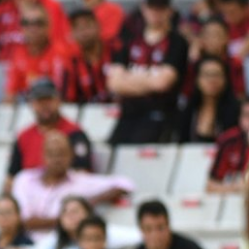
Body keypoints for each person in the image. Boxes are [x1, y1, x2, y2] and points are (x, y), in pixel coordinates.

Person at [11, 133, 132, 235]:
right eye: (51, 154)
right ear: (43, 156)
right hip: (24, 241)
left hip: (62, 244)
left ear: (71, 156)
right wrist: (65, 220)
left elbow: (125, 184)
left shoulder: (81, 181)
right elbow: (22, 222)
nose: (56, 159)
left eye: (61, 153)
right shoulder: (24, 179)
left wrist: (90, 203)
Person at [105, 0, 188, 144]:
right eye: (151, 7)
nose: (155, 12)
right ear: (143, 9)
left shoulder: (177, 42)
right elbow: (114, 83)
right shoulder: (129, 40)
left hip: (160, 114)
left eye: (160, 7)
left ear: (169, 10)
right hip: (128, 113)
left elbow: (162, 83)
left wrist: (129, 78)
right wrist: (149, 80)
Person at [7, 78, 93, 186]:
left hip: (65, 193)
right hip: (29, 195)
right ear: (31, 104)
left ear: (58, 101)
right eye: (39, 101)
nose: (44, 105)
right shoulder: (24, 136)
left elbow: (82, 175)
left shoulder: (74, 133)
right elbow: (11, 177)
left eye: (48, 100)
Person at [4, 3, 71, 103]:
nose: (32, 28)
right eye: (26, 23)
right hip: (26, 108)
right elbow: (10, 95)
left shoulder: (60, 53)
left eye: (38, 23)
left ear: (49, 26)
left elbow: (61, 95)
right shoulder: (18, 53)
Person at [177, 56, 240, 143]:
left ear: (226, 79)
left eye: (217, 74)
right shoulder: (188, 110)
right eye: (206, 75)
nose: (212, 80)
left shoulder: (237, 111)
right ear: (197, 79)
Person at [61, 8, 111, 105]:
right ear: (72, 33)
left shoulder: (116, 52)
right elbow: (68, 100)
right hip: (88, 114)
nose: (83, 32)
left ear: (98, 26)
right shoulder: (72, 62)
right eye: (77, 28)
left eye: (87, 25)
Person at [206, 100, 249, 194]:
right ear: (240, 118)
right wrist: (238, 188)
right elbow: (210, 186)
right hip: (233, 197)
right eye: (247, 116)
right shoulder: (228, 141)